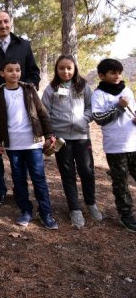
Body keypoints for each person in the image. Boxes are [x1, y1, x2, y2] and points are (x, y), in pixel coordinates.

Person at [0, 10, 40, 207]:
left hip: (20, 108)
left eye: (6, 21)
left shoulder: (24, 45)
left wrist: (25, 89)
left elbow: (34, 73)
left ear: (11, 23)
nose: (3, 25)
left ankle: (21, 188)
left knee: (21, 150)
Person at [0, 59, 58, 230]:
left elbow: (42, 112)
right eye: (10, 70)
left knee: (38, 178)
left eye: (18, 70)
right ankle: (26, 211)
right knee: (19, 179)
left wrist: (49, 134)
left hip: (33, 142)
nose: (14, 73)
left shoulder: (28, 90)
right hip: (13, 144)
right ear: (2, 73)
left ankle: (46, 213)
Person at [42, 55, 103, 229]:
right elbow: (45, 113)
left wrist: (84, 120)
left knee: (87, 171)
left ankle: (91, 203)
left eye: (69, 68)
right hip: (61, 139)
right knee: (67, 173)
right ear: (56, 70)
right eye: (62, 68)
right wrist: (50, 133)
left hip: (82, 137)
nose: (66, 71)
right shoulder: (51, 88)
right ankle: (74, 208)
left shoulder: (83, 86)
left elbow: (92, 108)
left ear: (75, 68)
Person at [92, 58, 136, 232]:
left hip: (133, 142)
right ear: (102, 76)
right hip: (115, 147)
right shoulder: (99, 94)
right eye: (113, 73)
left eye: (119, 72)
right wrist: (118, 106)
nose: (117, 76)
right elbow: (99, 119)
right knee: (121, 183)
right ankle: (126, 216)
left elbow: (132, 112)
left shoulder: (127, 90)